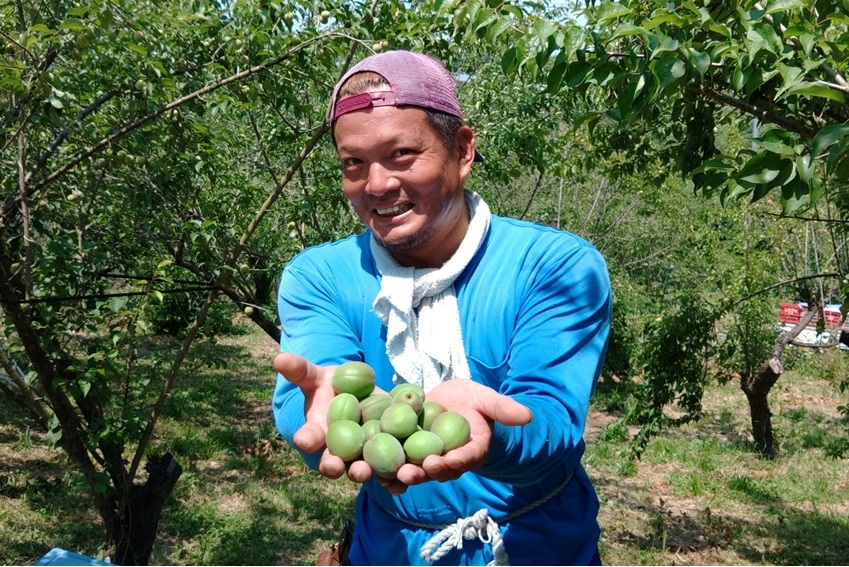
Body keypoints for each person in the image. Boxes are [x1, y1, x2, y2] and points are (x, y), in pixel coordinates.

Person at [272, 49, 611, 566]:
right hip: (390, 547)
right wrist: (322, 413)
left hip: (536, 545)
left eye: (402, 154)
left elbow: (553, 421)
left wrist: (494, 436)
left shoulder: (554, 266)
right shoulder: (318, 276)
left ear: (463, 150)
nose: (378, 184)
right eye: (353, 164)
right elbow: (314, 394)